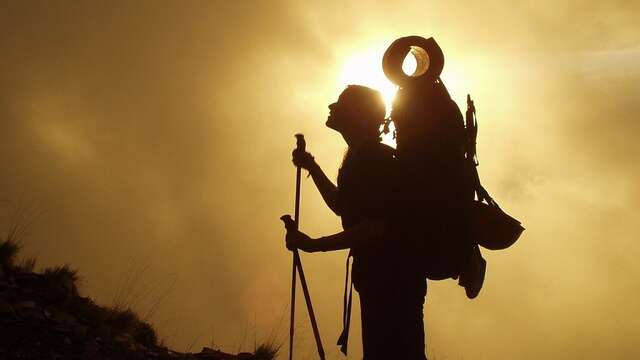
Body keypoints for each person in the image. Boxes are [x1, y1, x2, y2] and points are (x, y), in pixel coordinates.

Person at [282, 85, 428, 360]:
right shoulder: (364, 158)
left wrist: (314, 245)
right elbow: (343, 206)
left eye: (341, 104)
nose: (332, 107)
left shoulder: (371, 160)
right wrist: (312, 166)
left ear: (358, 115)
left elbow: (373, 227)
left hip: (391, 279)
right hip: (389, 277)